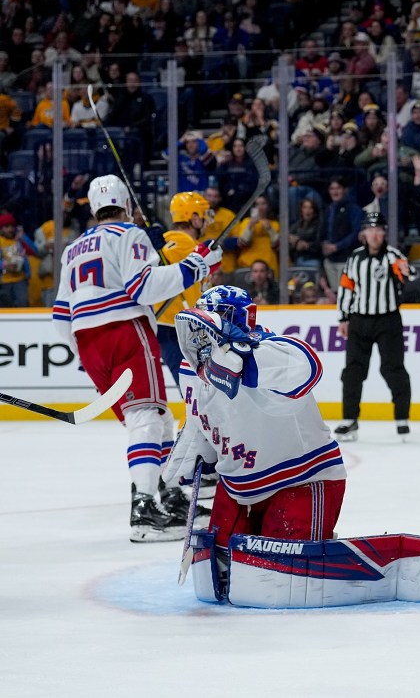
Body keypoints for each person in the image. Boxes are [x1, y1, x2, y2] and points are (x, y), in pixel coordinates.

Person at [51, 175, 223, 542]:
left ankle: (168, 493)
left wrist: (84, 355)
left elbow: (61, 315)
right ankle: (144, 509)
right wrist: (195, 266)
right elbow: (142, 288)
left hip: (87, 341)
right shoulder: (129, 234)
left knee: (156, 418)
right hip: (125, 330)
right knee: (146, 416)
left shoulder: (72, 249)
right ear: (126, 205)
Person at [162, 285, 348, 600]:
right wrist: (198, 446)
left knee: (278, 578)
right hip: (238, 486)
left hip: (300, 480)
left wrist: (241, 354)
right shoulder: (190, 368)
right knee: (220, 571)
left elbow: (308, 365)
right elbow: (201, 411)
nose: (200, 335)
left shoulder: (266, 352)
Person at [335, 212, 415, 442]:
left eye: (378, 230)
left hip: (388, 320)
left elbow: (409, 274)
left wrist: (406, 271)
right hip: (360, 320)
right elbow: (346, 288)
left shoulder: (392, 255)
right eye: (370, 230)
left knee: (393, 368)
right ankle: (349, 419)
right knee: (353, 371)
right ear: (364, 233)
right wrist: (343, 318)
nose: (375, 235)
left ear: (384, 233)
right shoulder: (355, 258)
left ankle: (402, 418)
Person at [154, 191, 212, 390]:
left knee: (197, 388)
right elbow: (160, 261)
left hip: (179, 327)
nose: (207, 221)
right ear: (194, 218)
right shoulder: (182, 241)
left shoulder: (178, 241)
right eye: (204, 215)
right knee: (193, 389)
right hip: (175, 328)